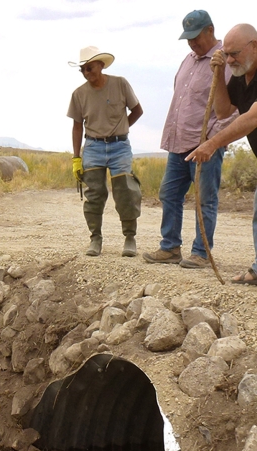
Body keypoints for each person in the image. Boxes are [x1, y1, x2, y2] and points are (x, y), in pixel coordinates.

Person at [144, 10, 236, 269]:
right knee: (169, 193)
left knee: (204, 199)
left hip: (204, 144)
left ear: (210, 30)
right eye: (188, 38)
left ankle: (201, 252)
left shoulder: (223, 61)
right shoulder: (187, 60)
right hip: (178, 143)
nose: (193, 42)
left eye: (196, 36)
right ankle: (170, 247)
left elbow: (230, 107)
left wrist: (213, 140)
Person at [187, 24, 257, 284]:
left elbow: (252, 118)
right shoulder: (241, 76)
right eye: (226, 54)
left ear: (255, 45)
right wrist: (217, 75)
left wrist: (211, 143)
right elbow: (225, 111)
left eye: (234, 54)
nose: (229, 60)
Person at [67, 46, 143, 257]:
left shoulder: (120, 84)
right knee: (94, 194)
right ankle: (95, 238)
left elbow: (137, 110)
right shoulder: (79, 94)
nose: (86, 73)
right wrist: (76, 158)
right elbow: (76, 126)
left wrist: (121, 128)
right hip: (93, 146)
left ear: (100, 65)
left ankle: (129, 237)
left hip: (120, 146)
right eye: (83, 70)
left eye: (90, 68)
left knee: (126, 191)